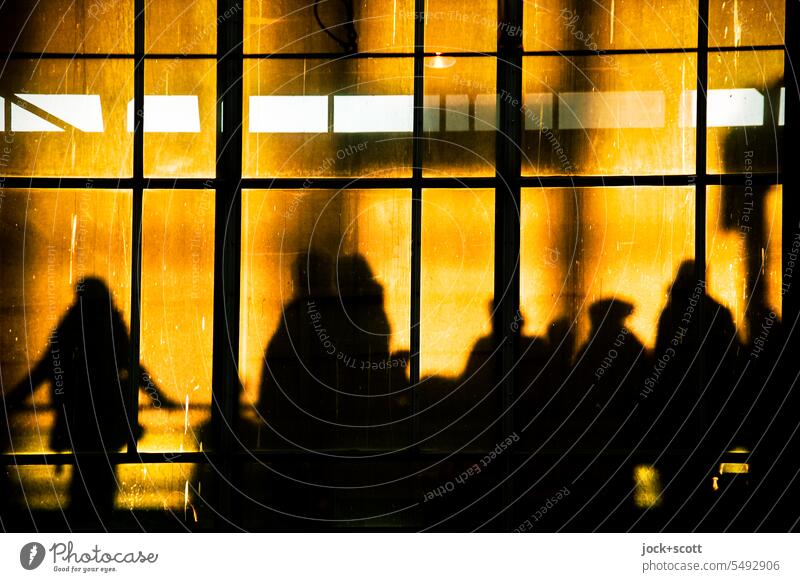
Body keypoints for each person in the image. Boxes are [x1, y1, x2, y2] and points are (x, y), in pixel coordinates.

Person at [1, 277, 176, 527]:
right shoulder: (110, 325)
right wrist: (160, 398)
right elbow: (134, 367)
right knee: (102, 485)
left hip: (80, 423)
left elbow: (44, 369)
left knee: (83, 485)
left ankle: (84, 534)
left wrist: (12, 401)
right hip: (106, 424)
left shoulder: (73, 326)